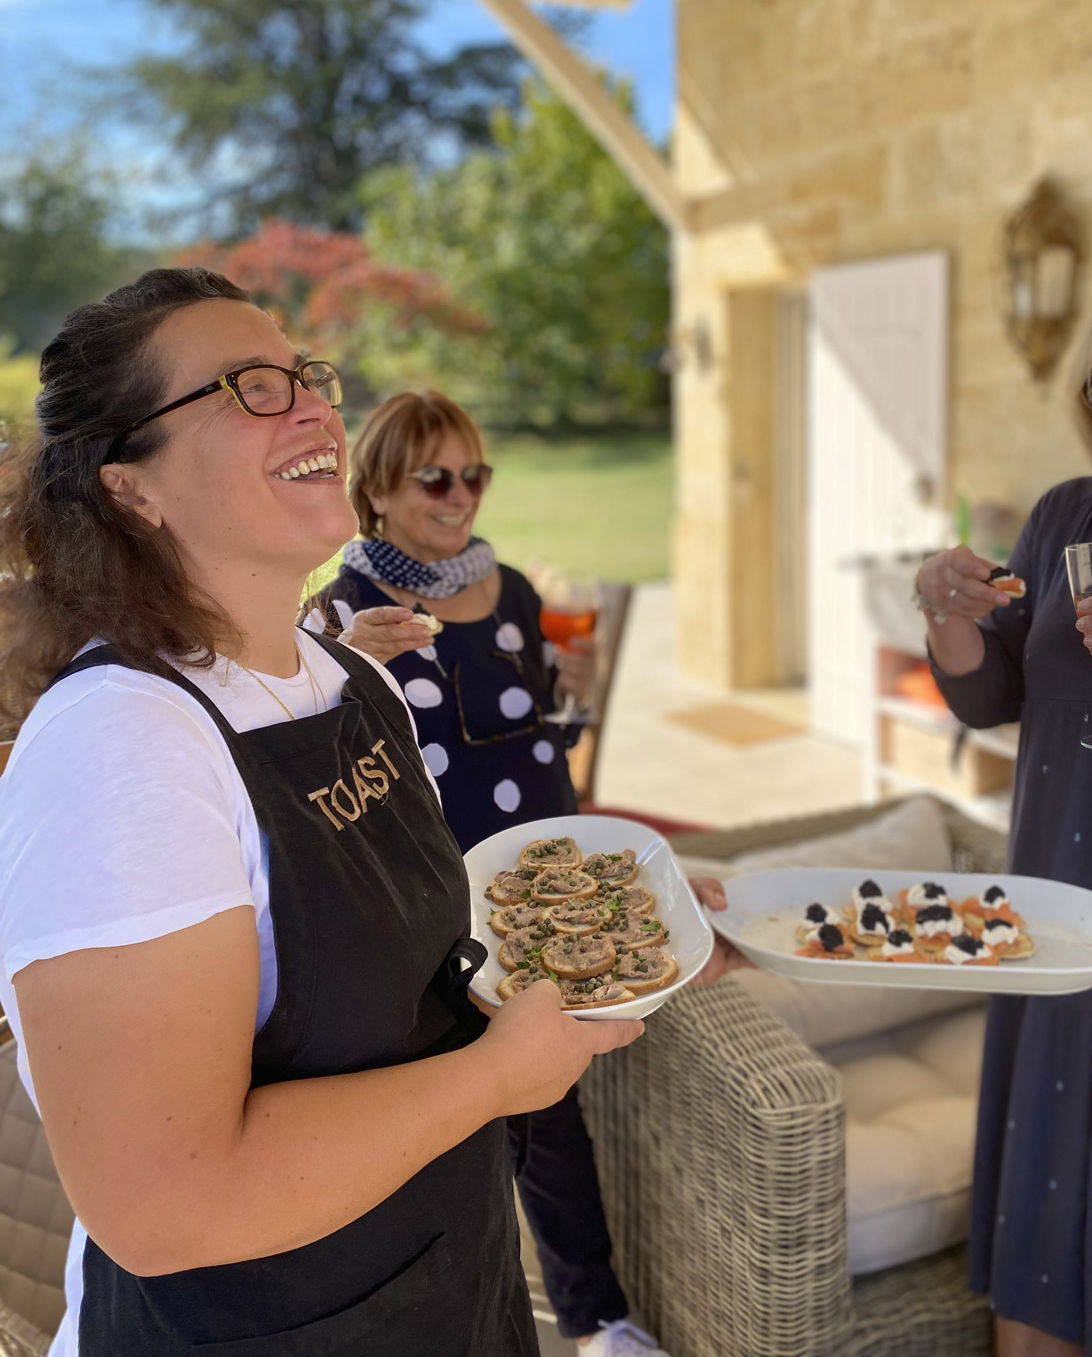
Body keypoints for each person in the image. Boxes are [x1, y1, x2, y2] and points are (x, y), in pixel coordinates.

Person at [0, 268, 643, 1357]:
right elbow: (165, 1206)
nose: (311, 404)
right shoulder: (122, 744)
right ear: (129, 488)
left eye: (303, 375)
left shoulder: (354, 682)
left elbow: (423, 965)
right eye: (247, 387)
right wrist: (497, 1078)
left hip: (449, 1289)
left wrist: (623, 928)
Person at [311, 390, 666, 1356]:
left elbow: (544, 738)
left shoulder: (509, 588)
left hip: (538, 898)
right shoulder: (338, 611)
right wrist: (339, 666)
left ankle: (594, 1319)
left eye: (475, 474)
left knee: (553, 1116)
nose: (461, 494)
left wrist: (576, 701)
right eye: (436, 477)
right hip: (432, 909)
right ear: (376, 490)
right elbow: (312, 769)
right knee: (463, 1132)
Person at [914, 266, 1092, 1357]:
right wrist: (948, 620)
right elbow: (995, 696)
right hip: (1055, 919)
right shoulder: (1063, 516)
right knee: (1048, 1178)